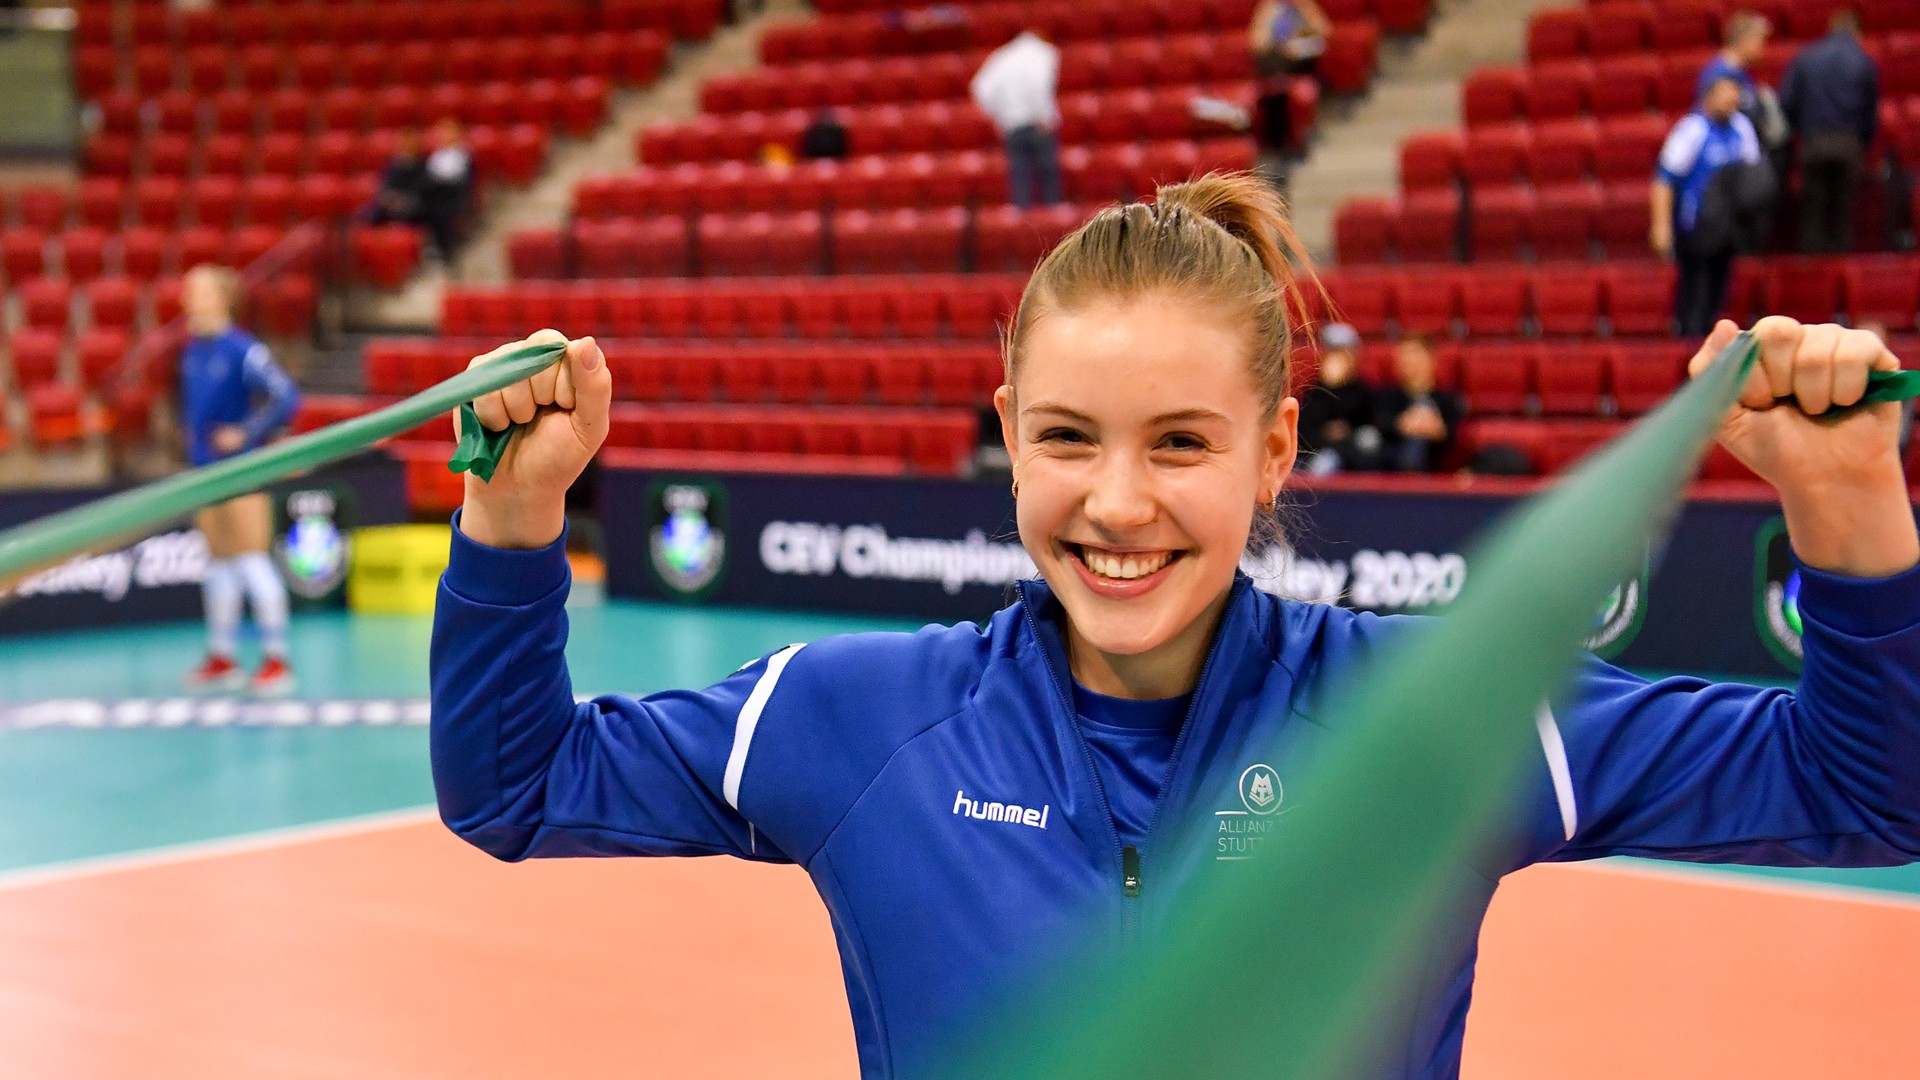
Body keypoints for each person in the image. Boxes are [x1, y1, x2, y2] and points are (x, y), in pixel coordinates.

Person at [430, 173, 1920, 1080]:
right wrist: (517, 515)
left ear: (1276, 452)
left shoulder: (1441, 720)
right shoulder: (851, 718)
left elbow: (1867, 791)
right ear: (1006, 430)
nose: (1118, 503)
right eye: (1069, 437)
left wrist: (1850, 507)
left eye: (1183, 445)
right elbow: (517, 786)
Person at [178, 264, 300, 694]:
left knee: (250, 560)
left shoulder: (242, 349)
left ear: (222, 298)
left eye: (198, 289)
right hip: (203, 471)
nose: (187, 296)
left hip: (240, 473)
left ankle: (276, 659)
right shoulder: (191, 350)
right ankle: (222, 656)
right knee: (219, 566)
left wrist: (245, 433)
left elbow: (286, 396)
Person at [1653, 76, 1764, 337]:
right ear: (1709, 98)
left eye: (1734, 95)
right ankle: (1688, 343)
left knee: (1719, 295)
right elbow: (1665, 178)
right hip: (1696, 229)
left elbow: (1754, 175)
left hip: (1728, 229)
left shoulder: (1741, 129)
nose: (1731, 100)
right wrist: (1661, 226)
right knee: (1694, 294)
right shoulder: (1693, 129)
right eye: (1725, 94)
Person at [1780, 9, 1880, 254]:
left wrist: (1802, 130)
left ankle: (1812, 281)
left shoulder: (1806, 57)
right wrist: (1862, 143)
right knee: (1842, 215)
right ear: (1856, 31)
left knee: (1812, 213)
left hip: (1813, 142)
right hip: (1849, 144)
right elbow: (1870, 112)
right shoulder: (1864, 61)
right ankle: (1839, 271)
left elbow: (1787, 101)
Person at [969, 27, 1061, 209]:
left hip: (1013, 125)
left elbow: (980, 88)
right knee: (1048, 176)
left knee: (1020, 179)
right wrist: (1043, 115)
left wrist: (1001, 118)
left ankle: (1022, 228)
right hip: (1037, 123)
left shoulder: (1002, 56)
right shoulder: (1043, 52)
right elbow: (1038, 83)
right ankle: (1057, 228)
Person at [1247, 0, 1329, 161]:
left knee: (1281, 81)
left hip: (1300, 63)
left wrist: (1305, 17)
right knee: (1275, 79)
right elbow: (1256, 43)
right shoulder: (1268, 8)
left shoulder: (1305, 6)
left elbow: (1324, 32)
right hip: (1274, 61)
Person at [1370, 333, 1463, 473]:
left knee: (1418, 441)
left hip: (1436, 464)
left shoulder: (1448, 399)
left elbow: (1454, 433)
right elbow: (1380, 423)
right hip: (1392, 460)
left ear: (1431, 358)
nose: (1408, 360)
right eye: (1404, 355)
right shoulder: (1387, 396)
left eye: (1414, 354)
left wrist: (1437, 430)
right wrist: (1403, 424)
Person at [1296, 322, 1378, 475]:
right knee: (1324, 462)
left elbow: (1370, 424)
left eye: (1341, 352)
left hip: (1353, 454)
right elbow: (1305, 433)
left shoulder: (1362, 390)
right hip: (1322, 452)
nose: (1337, 359)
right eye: (1332, 352)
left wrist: (1345, 433)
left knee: (1368, 439)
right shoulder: (1315, 391)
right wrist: (1329, 386)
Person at [420, 118, 473, 262]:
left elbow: (461, 181)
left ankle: (444, 250)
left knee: (438, 211)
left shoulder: (463, 155)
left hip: (452, 196)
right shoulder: (436, 155)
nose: (445, 135)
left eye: (449, 132)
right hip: (433, 194)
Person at [364, 127, 429, 232]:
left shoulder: (423, 166)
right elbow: (385, 186)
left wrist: (402, 200)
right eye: (404, 142)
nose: (407, 145)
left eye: (410, 142)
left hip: (412, 206)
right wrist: (390, 198)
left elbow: (421, 190)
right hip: (391, 202)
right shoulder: (393, 165)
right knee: (369, 213)